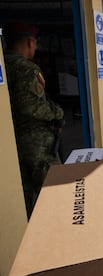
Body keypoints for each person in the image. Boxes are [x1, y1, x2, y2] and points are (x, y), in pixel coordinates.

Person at [4, 22, 64, 218]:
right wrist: (56, 112)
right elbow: (31, 106)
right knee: (58, 191)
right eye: (35, 43)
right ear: (30, 42)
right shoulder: (27, 69)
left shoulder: (4, 64)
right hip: (37, 143)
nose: (36, 47)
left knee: (26, 197)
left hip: (12, 142)